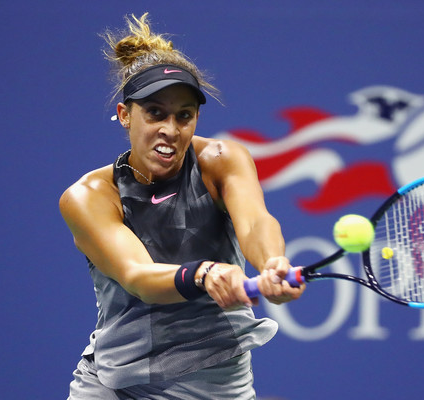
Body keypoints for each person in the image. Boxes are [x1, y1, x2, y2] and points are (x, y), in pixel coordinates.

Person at [60, 13, 305, 399]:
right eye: (155, 112)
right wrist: (202, 274)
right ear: (126, 115)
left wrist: (273, 261)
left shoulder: (222, 159)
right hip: (114, 384)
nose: (170, 130)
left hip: (214, 380)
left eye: (184, 116)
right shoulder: (90, 195)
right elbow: (137, 276)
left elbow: (256, 222)